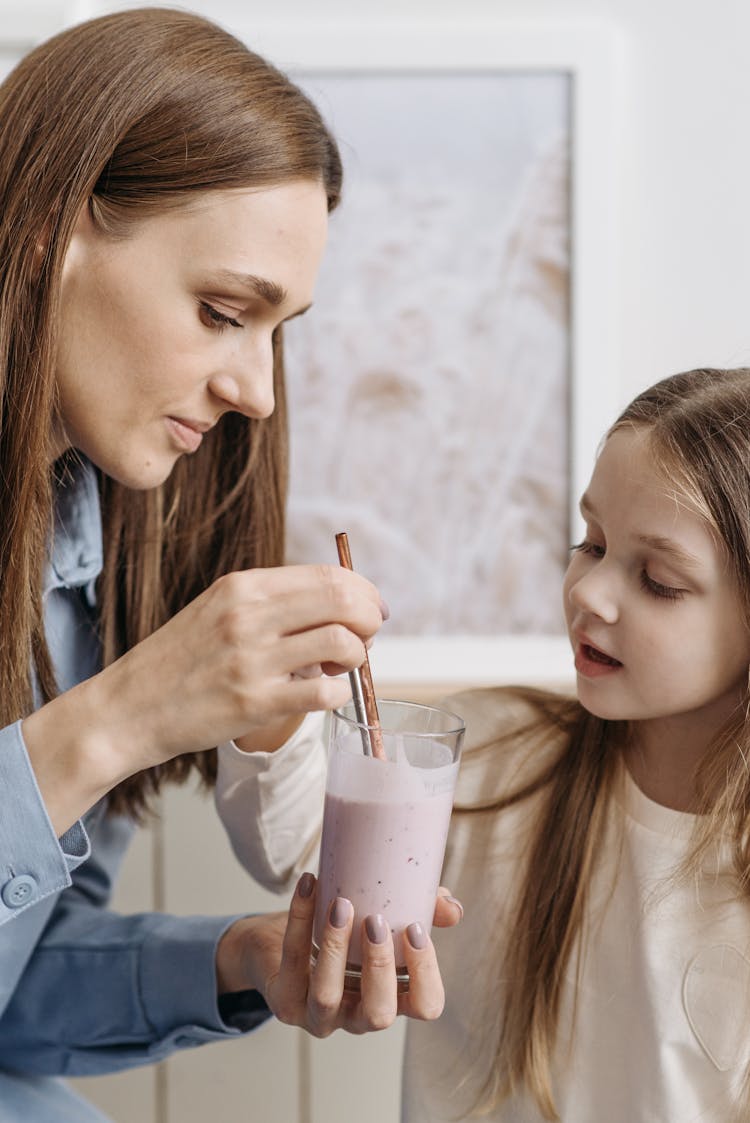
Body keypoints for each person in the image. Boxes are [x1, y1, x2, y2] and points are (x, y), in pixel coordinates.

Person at [0, 8, 457, 1120]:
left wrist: (245, 959)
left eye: (276, 330)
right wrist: (114, 721)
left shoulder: (84, 544)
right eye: (221, 312)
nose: (256, 389)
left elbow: (16, 986)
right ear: (56, 231)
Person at [222, 367, 750, 1122]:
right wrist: (278, 692)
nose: (590, 593)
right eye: (590, 542)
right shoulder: (492, 761)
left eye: (659, 580)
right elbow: (289, 842)